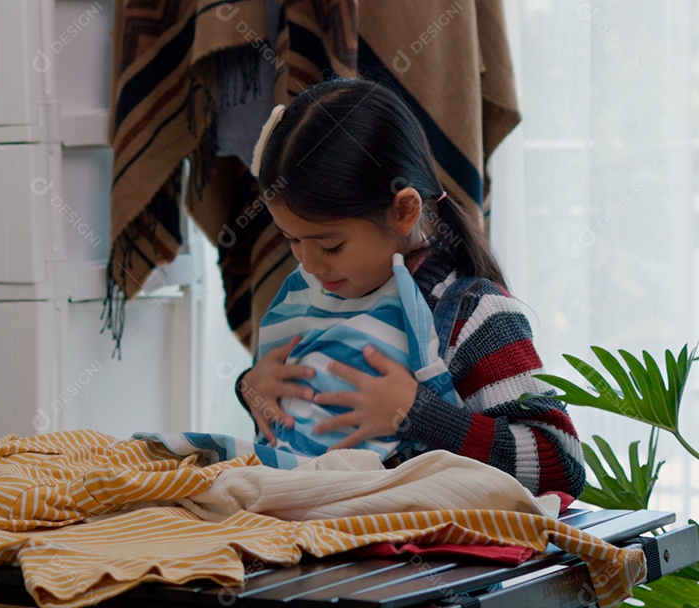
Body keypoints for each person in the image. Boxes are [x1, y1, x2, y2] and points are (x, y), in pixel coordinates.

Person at [235, 78, 586, 498]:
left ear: (404, 211)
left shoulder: (472, 314)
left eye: (331, 244)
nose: (308, 263)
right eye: (291, 240)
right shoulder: (313, 294)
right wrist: (252, 387)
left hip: (428, 558)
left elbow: (562, 467)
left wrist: (419, 414)